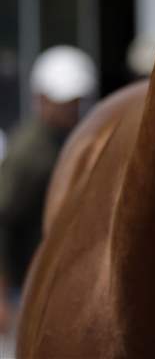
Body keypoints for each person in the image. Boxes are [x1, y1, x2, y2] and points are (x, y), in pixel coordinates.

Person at [0, 46, 97, 333]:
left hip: (59, 283)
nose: (71, 108)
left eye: (76, 101)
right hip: (28, 288)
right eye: (64, 101)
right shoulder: (30, 152)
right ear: (41, 99)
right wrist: (2, 296)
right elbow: (1, 219)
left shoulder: (76, 139)